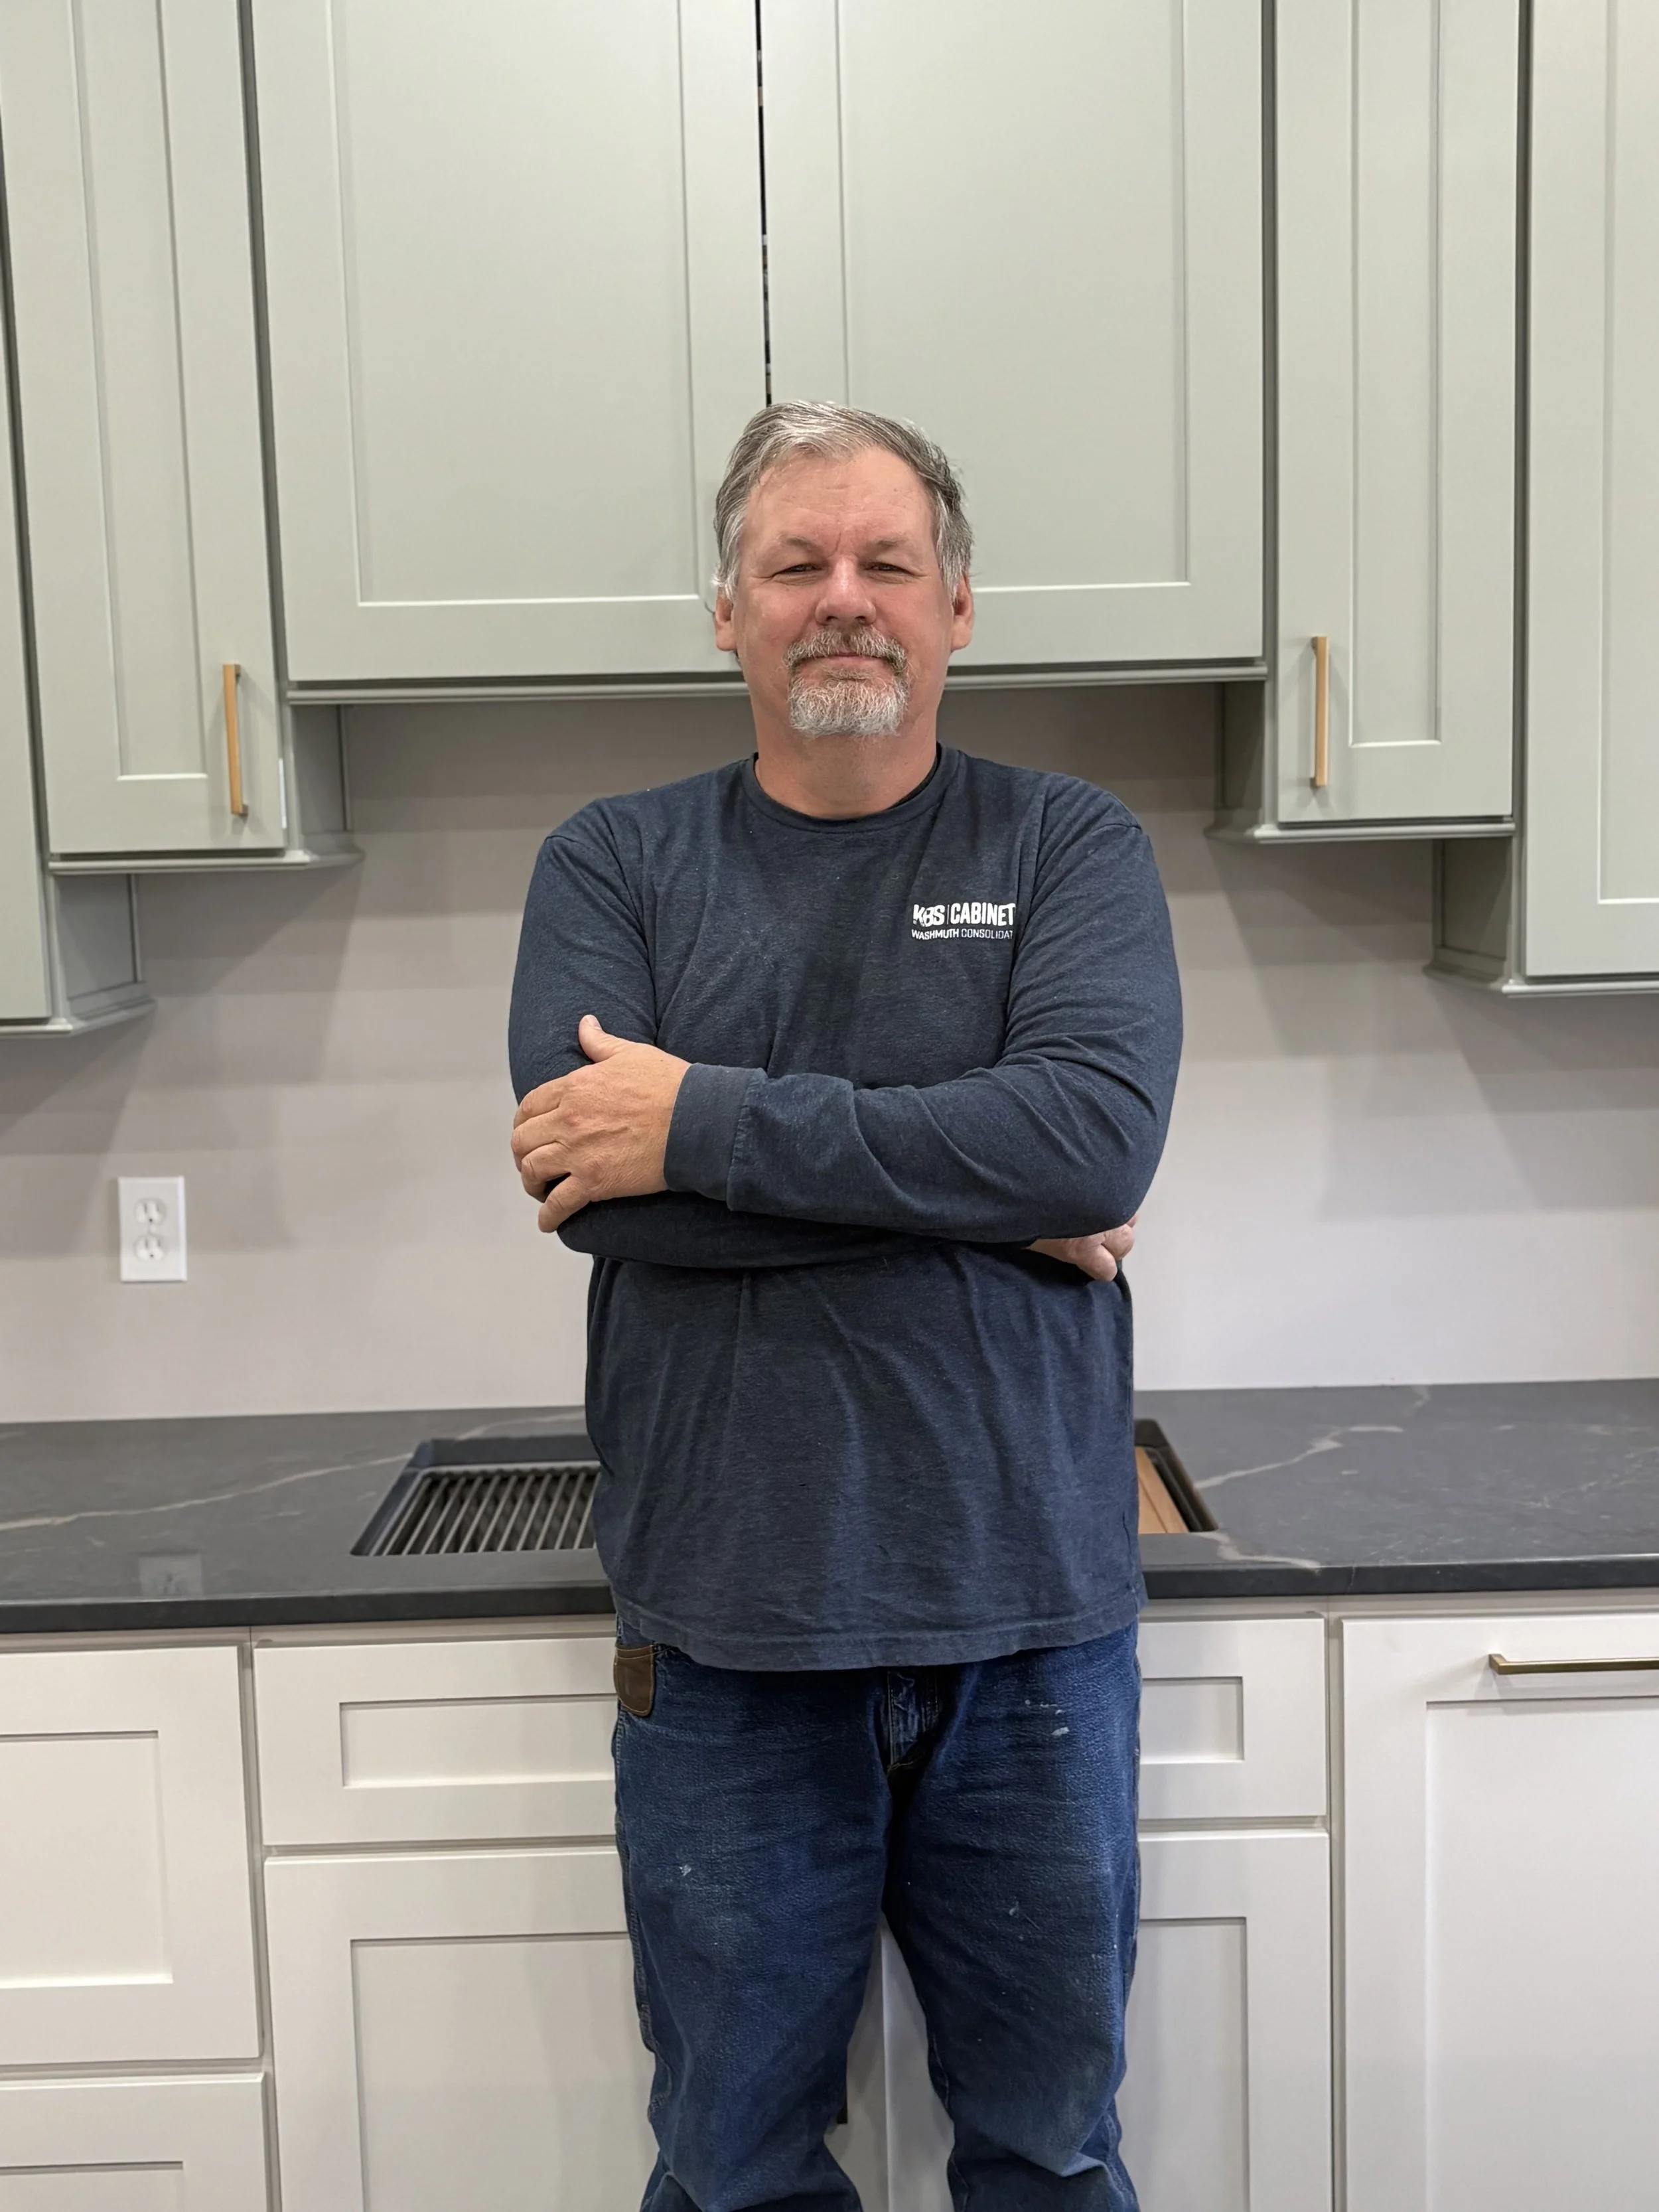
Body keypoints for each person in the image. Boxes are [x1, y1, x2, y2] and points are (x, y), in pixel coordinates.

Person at [508, 402, 1183, 2211]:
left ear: (956, 605)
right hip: (725, 1640)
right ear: (723, 610)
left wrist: (699, 1126)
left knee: (1049, 2153)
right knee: (731, 2168)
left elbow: (1091, 1136)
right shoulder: (613, 863)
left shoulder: (1069, 845)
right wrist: (986, 1197)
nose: (842, 598)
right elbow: (590, 1193)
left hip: (1029, 1628)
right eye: (793, 563)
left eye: (885, 562)